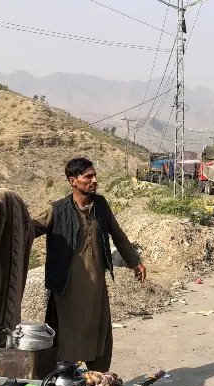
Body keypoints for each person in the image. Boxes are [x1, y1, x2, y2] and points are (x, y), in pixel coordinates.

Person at [33, 157, 146, 373]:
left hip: (96, 289)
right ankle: (64, 382)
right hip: (66, 289)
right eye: (88, 177)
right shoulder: (56, 210)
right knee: (64, 339)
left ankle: (97, 384)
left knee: (100, 337)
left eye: (95, 176)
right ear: (73, 181)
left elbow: (118, 235)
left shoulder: (101, 205)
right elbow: (31, 229)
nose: (94, 180)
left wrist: (134, 262)